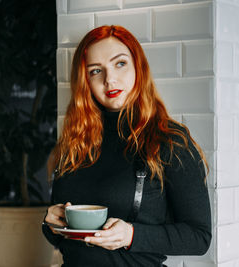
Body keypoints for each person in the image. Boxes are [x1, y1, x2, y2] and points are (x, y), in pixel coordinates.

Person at [42, 25, 211, 267]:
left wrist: (132, 236)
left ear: (138, 67)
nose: (109, 79)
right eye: (96, 71)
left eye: (120, 64)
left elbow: (199, 237)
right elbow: (64, 240)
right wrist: (51, 224)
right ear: (85, 81)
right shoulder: (75, 141)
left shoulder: (169, 140)